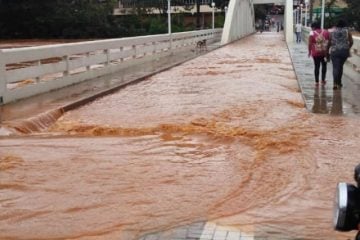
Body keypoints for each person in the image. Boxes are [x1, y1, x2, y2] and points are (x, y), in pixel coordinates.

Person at [328, 19, 354, 90]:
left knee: (335, 67)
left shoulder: (333, 31)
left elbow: (329, 42)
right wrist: (348, 47)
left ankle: (335, 83)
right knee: (341, 66)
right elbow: (351, 41)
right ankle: (339, 82)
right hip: (344, 51)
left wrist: (327, 50)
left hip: (334, 51)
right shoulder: (347, 31)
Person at [308, 22, 330, 86]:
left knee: (317, 66)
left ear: (314, 27)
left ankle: (317, 82)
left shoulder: (312, 33)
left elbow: (309, 43)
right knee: (324, 66)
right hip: (325, 52)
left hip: (316, 52)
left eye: (312, 28)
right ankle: (323, 80)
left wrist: (309, 51)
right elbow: (329, 41)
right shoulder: (326, 32)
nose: (311, 29)